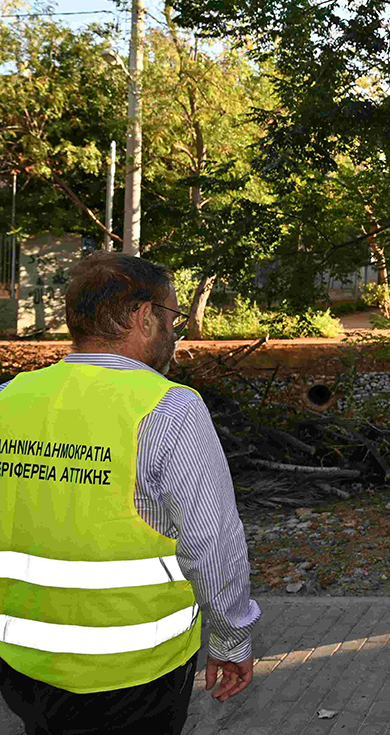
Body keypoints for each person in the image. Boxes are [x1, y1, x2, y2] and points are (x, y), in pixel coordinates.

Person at [0, 252, 260, 734]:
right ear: (143, 319)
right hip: (135, 673)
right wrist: (230, 639)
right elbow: (213, 545)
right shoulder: (169, 410)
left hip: (23, 667)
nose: (175, 332)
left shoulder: (8, 399)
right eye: (173, 318)